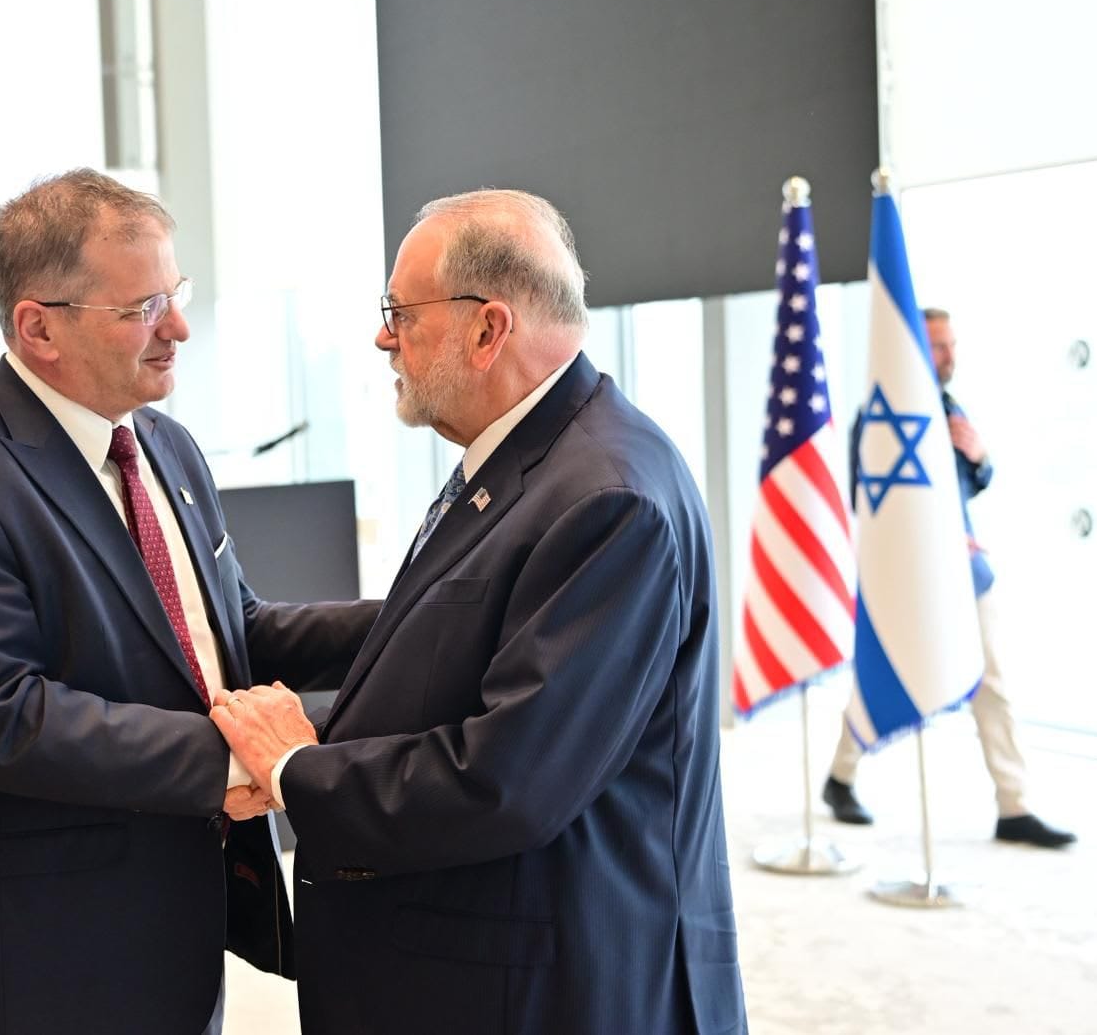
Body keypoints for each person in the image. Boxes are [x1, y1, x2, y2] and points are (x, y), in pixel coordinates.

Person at [212, 189, 747, 1034]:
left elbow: (507, 782)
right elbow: (436, 627)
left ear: (488, 329)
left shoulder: (607, 499)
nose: (384, 337)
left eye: (399, 313)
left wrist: (293, 770)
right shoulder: (537, 453)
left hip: (541, 988)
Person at [0, 169, 375, 1035]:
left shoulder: (164, 446)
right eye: (143, 308)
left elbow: (231, 635)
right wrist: (234, 757)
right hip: (38, 949)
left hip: (176, 917)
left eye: (173, 294)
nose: (179, 327)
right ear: (39, 328)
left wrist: (413, 616)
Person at [824, 307, 1075, 849]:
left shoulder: (949, 406)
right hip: (912, 573)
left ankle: (1014, 805)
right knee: (884, 676)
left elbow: (970, 482)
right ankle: (840, 778)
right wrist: (933, 537)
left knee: (993, 684)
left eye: (953, 344)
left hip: (966, 571)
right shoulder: (885, 414)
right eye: (939, 346)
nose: (950, 355)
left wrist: (980, 457)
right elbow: (873, 498)